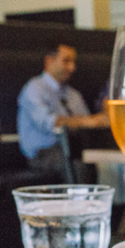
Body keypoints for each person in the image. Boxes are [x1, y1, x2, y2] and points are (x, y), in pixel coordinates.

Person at [17, 39, 108, 174]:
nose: (72, 68)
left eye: (73, 62)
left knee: (108, 164)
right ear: (49, 61)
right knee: (77, 164)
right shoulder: (34, 89)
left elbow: (87, 125)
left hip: (75, 149)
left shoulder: (72, 94)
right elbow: (51, 124)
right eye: (66, 61)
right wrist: (85, 122)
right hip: (43, 154)